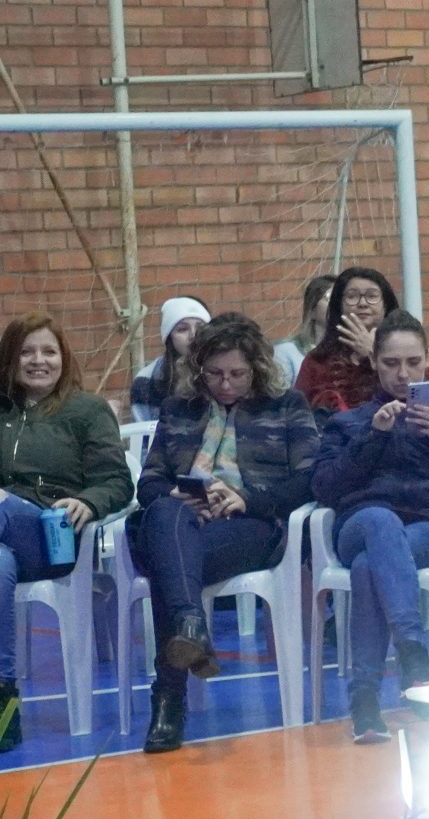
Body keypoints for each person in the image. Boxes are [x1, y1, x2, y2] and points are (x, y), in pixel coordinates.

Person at [131, 314, 319, 753]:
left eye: (237, 373)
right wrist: (178, 492)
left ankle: (169, 696)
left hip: (249, 525)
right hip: (181, 519)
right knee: (166, 519)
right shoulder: (178, 408)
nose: (226, 384)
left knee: (168, 561)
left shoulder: (287, 406)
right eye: (214, 374)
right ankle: (191, 625)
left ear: (257, 368)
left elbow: (309, 480)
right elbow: (149, 483)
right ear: (199, 370)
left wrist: (246, 498)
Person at [310, 310, 429, 742]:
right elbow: (324, 486)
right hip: (362, 524)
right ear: (374, 363)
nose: (403, 374)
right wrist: (372, 438)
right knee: (381, 522)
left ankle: (364, 702)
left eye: (413, 362)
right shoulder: (349, 422)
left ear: (428, 359)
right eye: (392, 363)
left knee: (368, 568)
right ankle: (413, 651)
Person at [0, 312, 133, 749]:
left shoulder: (87, 411)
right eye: (27, 352)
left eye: (49, 351)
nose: (38, 361)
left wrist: (88, 502)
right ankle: (4, 704)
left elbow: (117, 481)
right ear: (10, 358)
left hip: (53, 535)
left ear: (64, 358)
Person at [293, 267, 399, 418]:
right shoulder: (318, 360)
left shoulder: (411, 351)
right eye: (352, 296)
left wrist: (373, 354)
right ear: (339, 305)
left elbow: (419, 398)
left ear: (386, 305)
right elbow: (298, 414)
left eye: (372, 296)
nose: (362, 303)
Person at [128, 295, 209, 424]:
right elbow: (143, 432)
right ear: (169, 337)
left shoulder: (223, 372)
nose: (193, 335)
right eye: (183, 329)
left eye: (201, 327)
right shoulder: (146, 380)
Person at [273, 273, 334, 387]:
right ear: (312, 309)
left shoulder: (354, 353)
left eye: (342, 299)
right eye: (330, 298)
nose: (338, 305)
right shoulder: (285, 353)